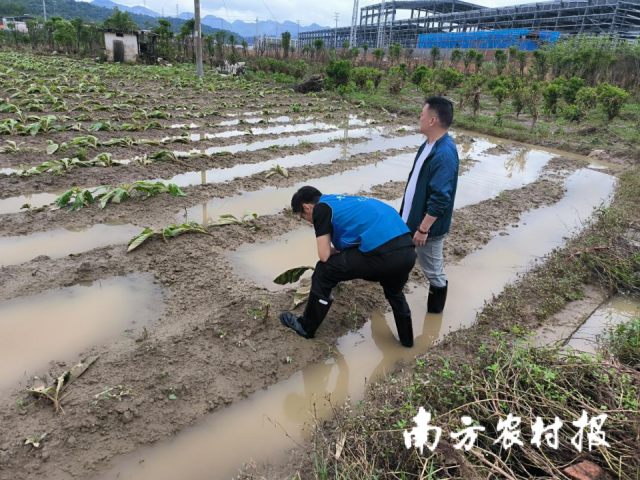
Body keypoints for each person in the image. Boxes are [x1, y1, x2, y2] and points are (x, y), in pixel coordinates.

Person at [279, 187, 417, 347]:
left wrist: (324, 249)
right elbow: (348, 244)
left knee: (324, 271)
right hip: (407, 252)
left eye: (304, 217)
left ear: (306, 207)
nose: (309, 221)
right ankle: (407, 343)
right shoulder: (341, 202)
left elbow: (324, 256)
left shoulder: (321, 209)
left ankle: (305, 327)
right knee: (394, 292)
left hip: (383, 255)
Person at [400, 97, 459, 314]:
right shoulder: (428, 145)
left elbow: (441, 198)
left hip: (427, 229)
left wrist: (424, 229)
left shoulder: (444, 154)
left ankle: (434, 316)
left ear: (432, 120)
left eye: (422, 114)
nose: (419, 118)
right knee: (401, 261)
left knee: (434, 273)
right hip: (410, 222)